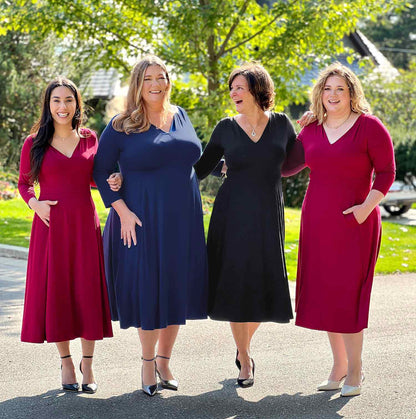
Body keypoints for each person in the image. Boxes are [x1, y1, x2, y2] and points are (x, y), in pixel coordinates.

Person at [93, 55, 208, 396]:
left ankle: (165, 360)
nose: (156, 84)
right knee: (149, 287)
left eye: (161, 77)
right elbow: (100, 172)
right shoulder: (121, 125)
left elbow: (194, 160)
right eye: (148, 79)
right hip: (140, 217)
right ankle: (146, 363)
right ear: (137, 85)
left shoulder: (182, 116)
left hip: (183, 217)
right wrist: (121, 210)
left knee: (175, 285)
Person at [293, 62, 395, 397]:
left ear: (352, 93)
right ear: (319, 94)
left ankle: (356, 370)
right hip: (317, 221)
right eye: (328, 89)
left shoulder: (370, 127)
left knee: (349, 295)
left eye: (340, 89)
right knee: (326, 293)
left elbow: (386, 172)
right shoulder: (310, 130)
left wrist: (366, 208)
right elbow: (285, 167)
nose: (333, 95)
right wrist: (295, 130)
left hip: (356, 223)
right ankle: (338, 365)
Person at [194, 62, 296, 388]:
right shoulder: (225, 128)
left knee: (266, 285)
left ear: (257, 89)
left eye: (240, 87)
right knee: (236, 286)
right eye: (232, 88)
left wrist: (313, 126)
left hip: (269, 215)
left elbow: (298, 159)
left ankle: (244, 346)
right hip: (232, 216)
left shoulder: (281, 124)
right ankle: (245, 359)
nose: (234, 93)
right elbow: (199, 168)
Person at [18, 77, 114, 394]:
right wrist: (35, 204)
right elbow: (24, 183)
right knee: (58, 293)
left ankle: (88, 363)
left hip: (86, 225)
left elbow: (98, 178)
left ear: (77, 105)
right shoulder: (34, 143)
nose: (63, 106)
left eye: (68, 100)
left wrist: (114, 180)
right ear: (48, 105)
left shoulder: (90, 139)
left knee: (86, 292)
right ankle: (67, 361)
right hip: (51, 227)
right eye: (56, 100)